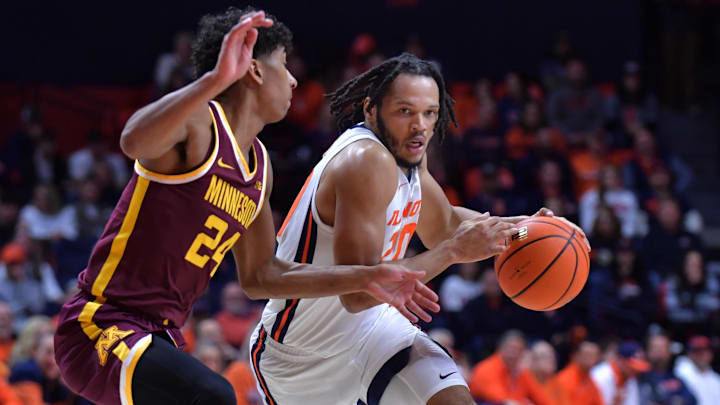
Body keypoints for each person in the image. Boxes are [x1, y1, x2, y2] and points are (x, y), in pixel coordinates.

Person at [53, 8, 438, 405]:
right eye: (284, 65)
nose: (292, 79)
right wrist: (214, 80)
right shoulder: (200, 125)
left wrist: (363, 276)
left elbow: (262, 275)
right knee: (214, 395)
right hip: (100, 325)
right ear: (253, 70)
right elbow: (132, 141)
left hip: (158, 336)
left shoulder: (260, 166)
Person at [253, 53, 588, 405]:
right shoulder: (363, 162)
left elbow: (442, 224)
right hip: (301, 357)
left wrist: (527, 228)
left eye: (430, 113)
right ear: (371, 110)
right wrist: (453, 252)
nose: (420, 126)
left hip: (374, 330)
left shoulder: (408, 153)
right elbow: (358, 293)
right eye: (405, 111)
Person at [469, 330, 555, 405]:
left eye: (519, 349)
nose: (514, 353)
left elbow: (542, 399)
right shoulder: (486, 369)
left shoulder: (522, 373)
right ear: (500, 348)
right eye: (511, 348)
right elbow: (503, 401)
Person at [640, 333, 696, 405]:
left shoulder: (676, 378)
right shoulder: (639, 377)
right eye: (655, 347)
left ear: (669, 352)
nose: (659, 351)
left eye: (663, 347)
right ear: (647, 352)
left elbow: (692, 400)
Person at [591, 341, 650, 405]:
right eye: (632, 368)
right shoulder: (600, 376)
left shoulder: (630, 378)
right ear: (621, 361)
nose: (636, 371)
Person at [551, 341, 603, 405]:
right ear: (575, 356)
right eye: (587, 354)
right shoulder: (564, 379)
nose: (590, 358)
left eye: (594, 355)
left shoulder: (591, 380)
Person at [674, 336, 720, 405]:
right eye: (696, 351)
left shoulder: (716, 379)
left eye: (704, 350)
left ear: (711, 353)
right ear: (689, 354)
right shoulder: (682, 372)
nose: (701, 355)